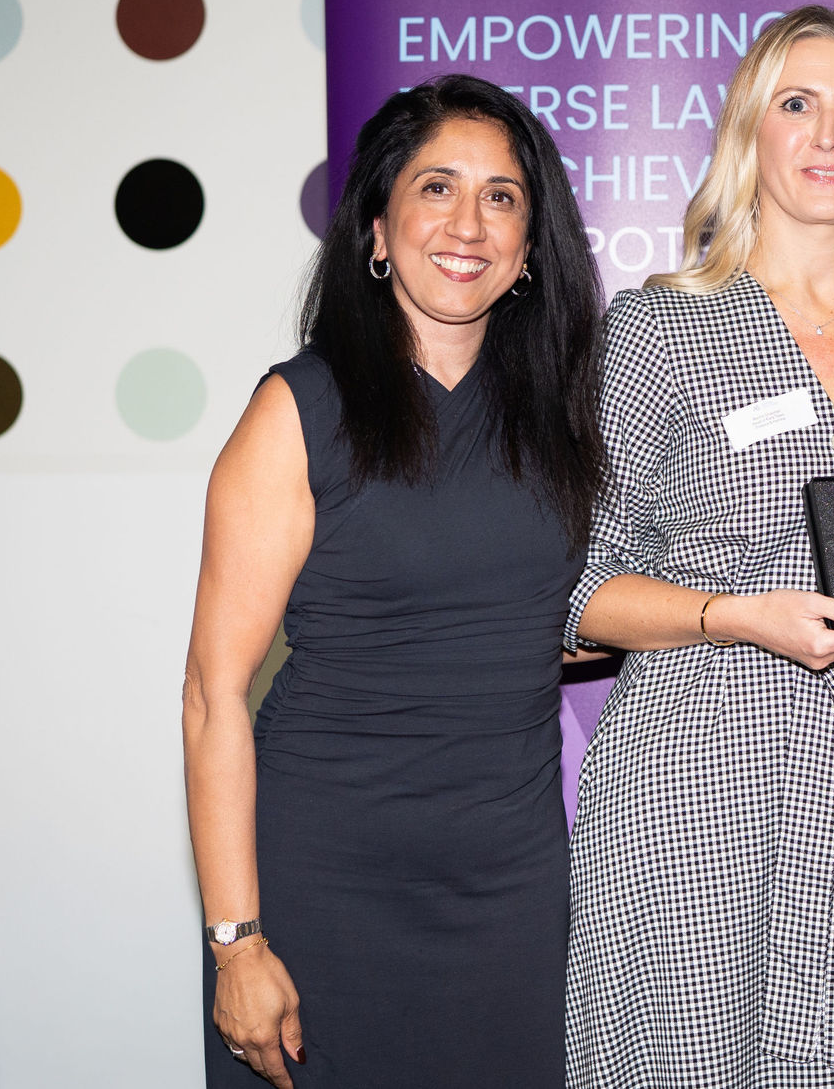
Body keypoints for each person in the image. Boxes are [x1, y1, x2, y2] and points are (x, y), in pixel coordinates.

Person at [563, 5, 834, 1089]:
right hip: (697, 767)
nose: (827, 135)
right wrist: (737, 617)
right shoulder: (659, 327)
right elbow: (575, 586)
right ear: (748, 132)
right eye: (796, 104)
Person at [180, 75, 605, 1088]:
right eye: (436, 188)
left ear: (530, 248)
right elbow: (211, 696)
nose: (469, 224)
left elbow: (545, 614)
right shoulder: (299, 411)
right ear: (377, 228)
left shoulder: (563, 417)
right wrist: (236, 944)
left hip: (509, 893)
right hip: (323, 884)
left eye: (502, 197)